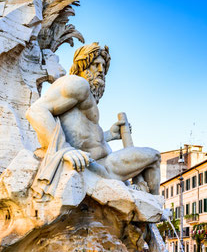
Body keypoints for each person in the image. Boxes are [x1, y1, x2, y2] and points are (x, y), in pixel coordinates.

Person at [26, 42, 161, 195]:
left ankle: (151, 207)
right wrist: (64, 150)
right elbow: (36, 111)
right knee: (154, 156)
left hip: (103, 164)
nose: (101, 71)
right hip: (92, 165)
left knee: (151, 159)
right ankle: (155, 205)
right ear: (82, 66)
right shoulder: (77, 84)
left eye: (103, 67)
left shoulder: (88, 97)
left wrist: (110, 134)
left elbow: (81, 137)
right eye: (95, 65)